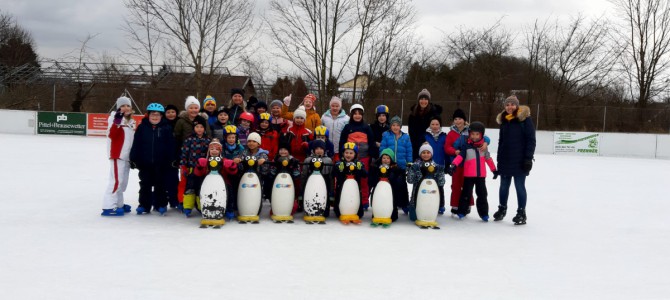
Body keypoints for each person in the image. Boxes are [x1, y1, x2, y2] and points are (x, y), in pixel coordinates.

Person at [494, 95, 536, 225]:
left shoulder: (525, 120)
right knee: (503, 186)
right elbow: (501, 141)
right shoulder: (504, 121)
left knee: (519, 186)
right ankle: (502, 209)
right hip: (506, 159)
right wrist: (499, 159)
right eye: (507, 105)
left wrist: (528, 159)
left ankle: (521, 212)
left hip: (520, 160)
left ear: (517, 106)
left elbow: (531, 140)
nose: (509, 107)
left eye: (512, 104)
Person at [129, 103, 176, 215]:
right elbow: (136, 144)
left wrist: (172, 159)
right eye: (152, 115)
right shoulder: (142, 127)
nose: (155, 117)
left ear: (161, 116)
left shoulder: (166, 128)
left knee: (160, 184)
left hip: (161, 163)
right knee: (145, 184)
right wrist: (134, 158)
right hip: (145, 163)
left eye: (157, 115)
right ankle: (144, 205)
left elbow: (171, 145)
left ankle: (161, 204)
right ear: (148, 115)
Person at [447, 121, 498, 221]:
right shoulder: (466, 146)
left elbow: (488, 159)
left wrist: (494, 170)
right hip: (468, 176)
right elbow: (460, 157)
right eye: (472, 134)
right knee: (466, 194)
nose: (474, 136)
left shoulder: (484, 148)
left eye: (477, 134)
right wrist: (453, 165)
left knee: (482, 195)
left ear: (481, 135)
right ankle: (462, 211)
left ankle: (484, 214)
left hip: (481, 176)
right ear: (469, 134)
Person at [444, 108, 491, 215]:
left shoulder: (470, 131)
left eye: (460, 118)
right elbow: (447, 147)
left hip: (469, 164)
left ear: (464, 120)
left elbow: (485, 138)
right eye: (455, 119)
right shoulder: (451, 133)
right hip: (456, 163)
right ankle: (455, 205)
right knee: (456, 185)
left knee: (467, 186)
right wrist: (455, 151)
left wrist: (486, 143)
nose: (458, 121)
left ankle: (468, 204)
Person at [101, 96, 136, 216]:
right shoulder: (114, 119)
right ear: (118, 108)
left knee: (123, 182)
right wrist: (117, 120)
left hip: (126, 156)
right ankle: (108, 207)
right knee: (116, 181)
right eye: (122, 106)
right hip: (118, 155)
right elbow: (112, 134)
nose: (125, 108)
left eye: (127, 106)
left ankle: (119, 204)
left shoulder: (131, 121)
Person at [339, 104, 376, 210]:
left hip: (364, 158)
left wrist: (372, 156)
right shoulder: (347, 127)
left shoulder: (366, 127)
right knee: (349, 179)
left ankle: (364, 201)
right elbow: (342, 142)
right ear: (351, 115)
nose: (357, 116)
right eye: (355, 114)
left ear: (362, 115)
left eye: (359, 114)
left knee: (364, 180)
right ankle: (347, 199)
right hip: (350, 158)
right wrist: (343, 155)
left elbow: (372, 142)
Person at [379, 115, 412, 214]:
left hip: (401, 165)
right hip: (389, 165)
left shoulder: (406, 137)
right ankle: (391, 203)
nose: (395, 127)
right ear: (390, 126)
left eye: (397, 125)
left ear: (400, 126)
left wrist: (409, 162)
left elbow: (409, 151)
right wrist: (382, 160)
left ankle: (404, 204)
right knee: (391, 184)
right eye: (393, 125)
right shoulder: (386, 135)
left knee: (402, 184)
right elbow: (382, 148)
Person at [179, 116, 211, 217]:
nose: (199, 129)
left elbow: (210, 155)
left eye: (201, 127)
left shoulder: (208, 140)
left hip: (203, 169)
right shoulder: (189, 139)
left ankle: (201, 206)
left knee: (201, 187)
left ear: (204, 128)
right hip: (191, 168)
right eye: (197, 127)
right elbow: (184, 153)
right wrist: (183, 166)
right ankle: (187, 207)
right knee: (190, 187)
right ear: (194, 128)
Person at [406, 143, 446, 221]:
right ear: (420, 154)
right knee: (413, 218)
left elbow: (441, 183)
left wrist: (440, 172)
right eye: (423, 152)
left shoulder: (435, 166)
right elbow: (410, 181)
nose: (426, 155)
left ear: (431, 154)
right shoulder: (416, 165)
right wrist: (412, 170)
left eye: (428, 152)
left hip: (431, 197)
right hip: (416, 199)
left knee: (428, 215)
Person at [333, 142, 367, 222]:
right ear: (343, 153)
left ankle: (356, 211)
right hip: (341, 188)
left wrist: (360, 169)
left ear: (355, 154)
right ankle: (340, 211)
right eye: (346, 153)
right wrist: (339, 169)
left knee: (359, 213)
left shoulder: (358, 163)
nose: (348, 155)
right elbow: (334, 174)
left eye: (351, 153)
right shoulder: (339, 163)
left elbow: (365, 175)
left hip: (355, 188)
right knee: (339, 209)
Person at [301, 139, 334, 217]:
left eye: (321, 149)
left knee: (325, 214)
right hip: (311, 182)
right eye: (317, 149)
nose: (319, 151)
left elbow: (331, 177)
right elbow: (304, 175)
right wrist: (302, 189)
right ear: (313, 150)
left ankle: (324, 208)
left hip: (325, 182)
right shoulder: (308, 160)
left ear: (324, 150)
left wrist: (331, 191)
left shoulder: (328, 161)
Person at [370, 148, 405, 222]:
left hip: (391, 192)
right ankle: (376, 213)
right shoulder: (376, 168)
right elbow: (372, 181)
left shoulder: (395, 169)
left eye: (388, 158)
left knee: (392, 206)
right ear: (381, 158)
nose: (385, 160)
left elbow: (398, 184)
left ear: (391, 159)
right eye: (384, 158)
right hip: (379, 190)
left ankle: (392, 214)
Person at [408, 88, 442, 160]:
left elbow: (437, 129)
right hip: (416, 144)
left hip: (429, 144)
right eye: (421, 99)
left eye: (426, 99)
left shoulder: (434, 113)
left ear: (429, 101)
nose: (423, 101)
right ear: (418, 100)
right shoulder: (413, 114)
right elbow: (411, 132)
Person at [423, 116, 448, 214]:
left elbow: (446, 151)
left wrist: (448, 164)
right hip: (427, 165)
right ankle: (426, 203)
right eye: (432, 124)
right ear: (429, 125)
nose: (435, 126)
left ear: (440, 125)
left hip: (440, 165)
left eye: (437, 124)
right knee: (428, 185)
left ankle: (440, 205)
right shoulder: (425, 135)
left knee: (439, 186)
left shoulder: (444, 136)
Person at [222, 125, 245, 219]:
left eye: (233, 137)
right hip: (225, 172)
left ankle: (235, 206)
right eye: (229, 137)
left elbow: (243, 156)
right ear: (225, 138)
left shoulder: (240, 147)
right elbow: (220, 157)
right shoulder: (222, 147)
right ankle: (227, 207)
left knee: (236, 189)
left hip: (236, 172)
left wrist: (239, 159)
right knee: (227, 190)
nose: (231, 139)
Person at [320, 96, 349, 161]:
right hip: (326, 148)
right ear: (330, 106)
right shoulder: (324, 117)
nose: (335, 108)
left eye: (337, 106)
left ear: (340, 107)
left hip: (339, 149)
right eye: (333, 106)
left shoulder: (346, 118)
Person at [164, 104, 180, 208]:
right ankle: (162, 200)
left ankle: (174, 199)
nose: (171, 114)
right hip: (163, 155)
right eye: (168, 112)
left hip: (175, 156)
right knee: (162, 179)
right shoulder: (162, 123)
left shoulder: (179, 123)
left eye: (173, 112)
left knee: (174, 179)